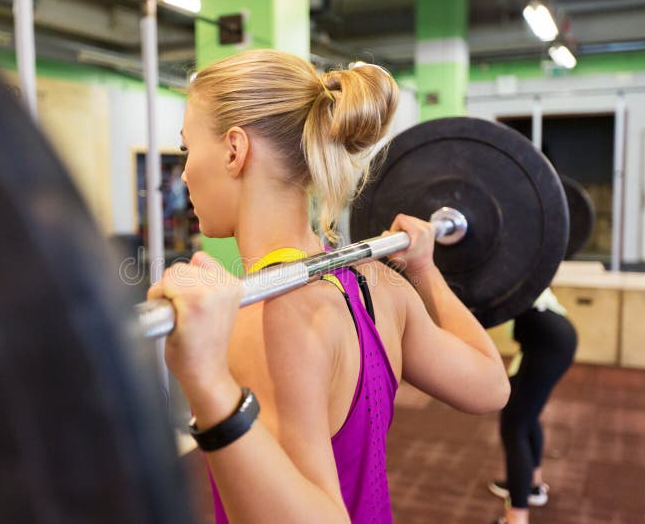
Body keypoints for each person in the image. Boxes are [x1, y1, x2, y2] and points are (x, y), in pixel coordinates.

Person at [147, 49, 511, 523]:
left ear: (234, 150)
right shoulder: (379, 283)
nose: (185, 171)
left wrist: (208, 383)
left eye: (186, 148)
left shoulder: (270, 316)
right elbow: (491, 383)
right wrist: (425, 271)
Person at [488, 289, 577, 524]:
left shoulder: (507, 271)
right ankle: (533, 486)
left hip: (548, 345)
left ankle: (517, 517)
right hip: (549, 340)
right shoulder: (515, 269)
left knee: (514, 426)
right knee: (526, 414)